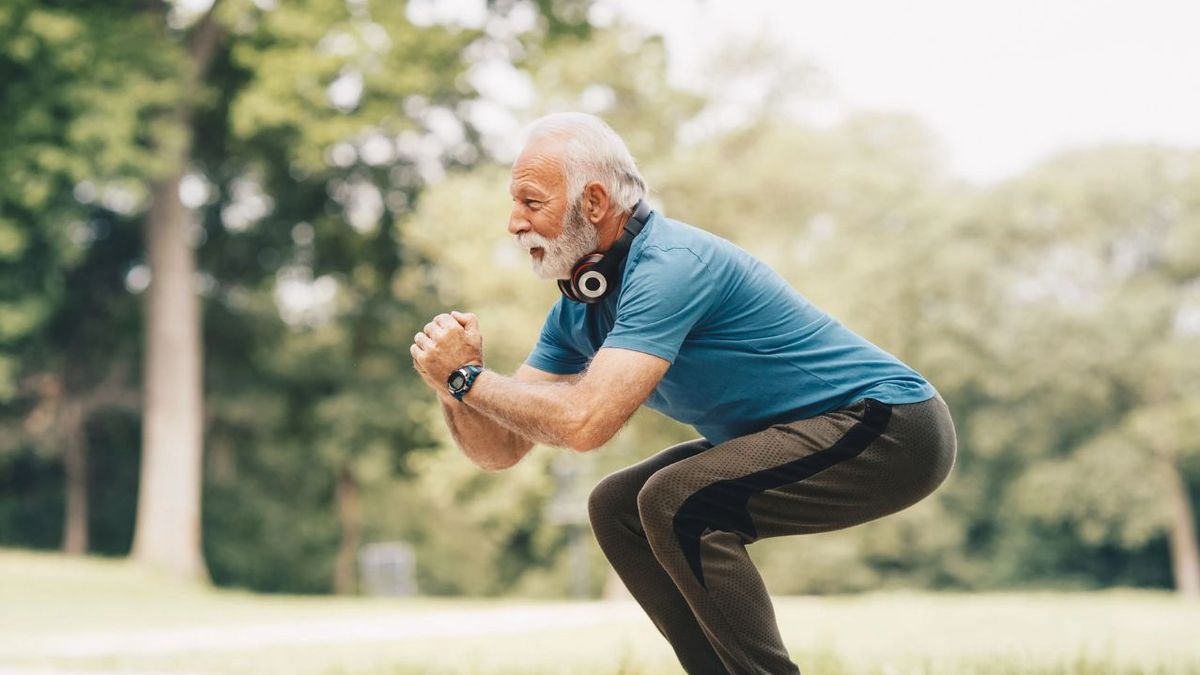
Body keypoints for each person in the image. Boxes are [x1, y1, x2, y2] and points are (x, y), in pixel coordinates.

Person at [409, 112, 957, 675]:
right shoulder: (578, 308)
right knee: (617, 507)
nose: (513, 223)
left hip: (891, 427)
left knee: (676, 500)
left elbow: (583, 424)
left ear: (593, 202)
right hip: (818, 430)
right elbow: (499, 450)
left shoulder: (669, 266)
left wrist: (467, 379)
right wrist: (454, 386)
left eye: (531, 202)